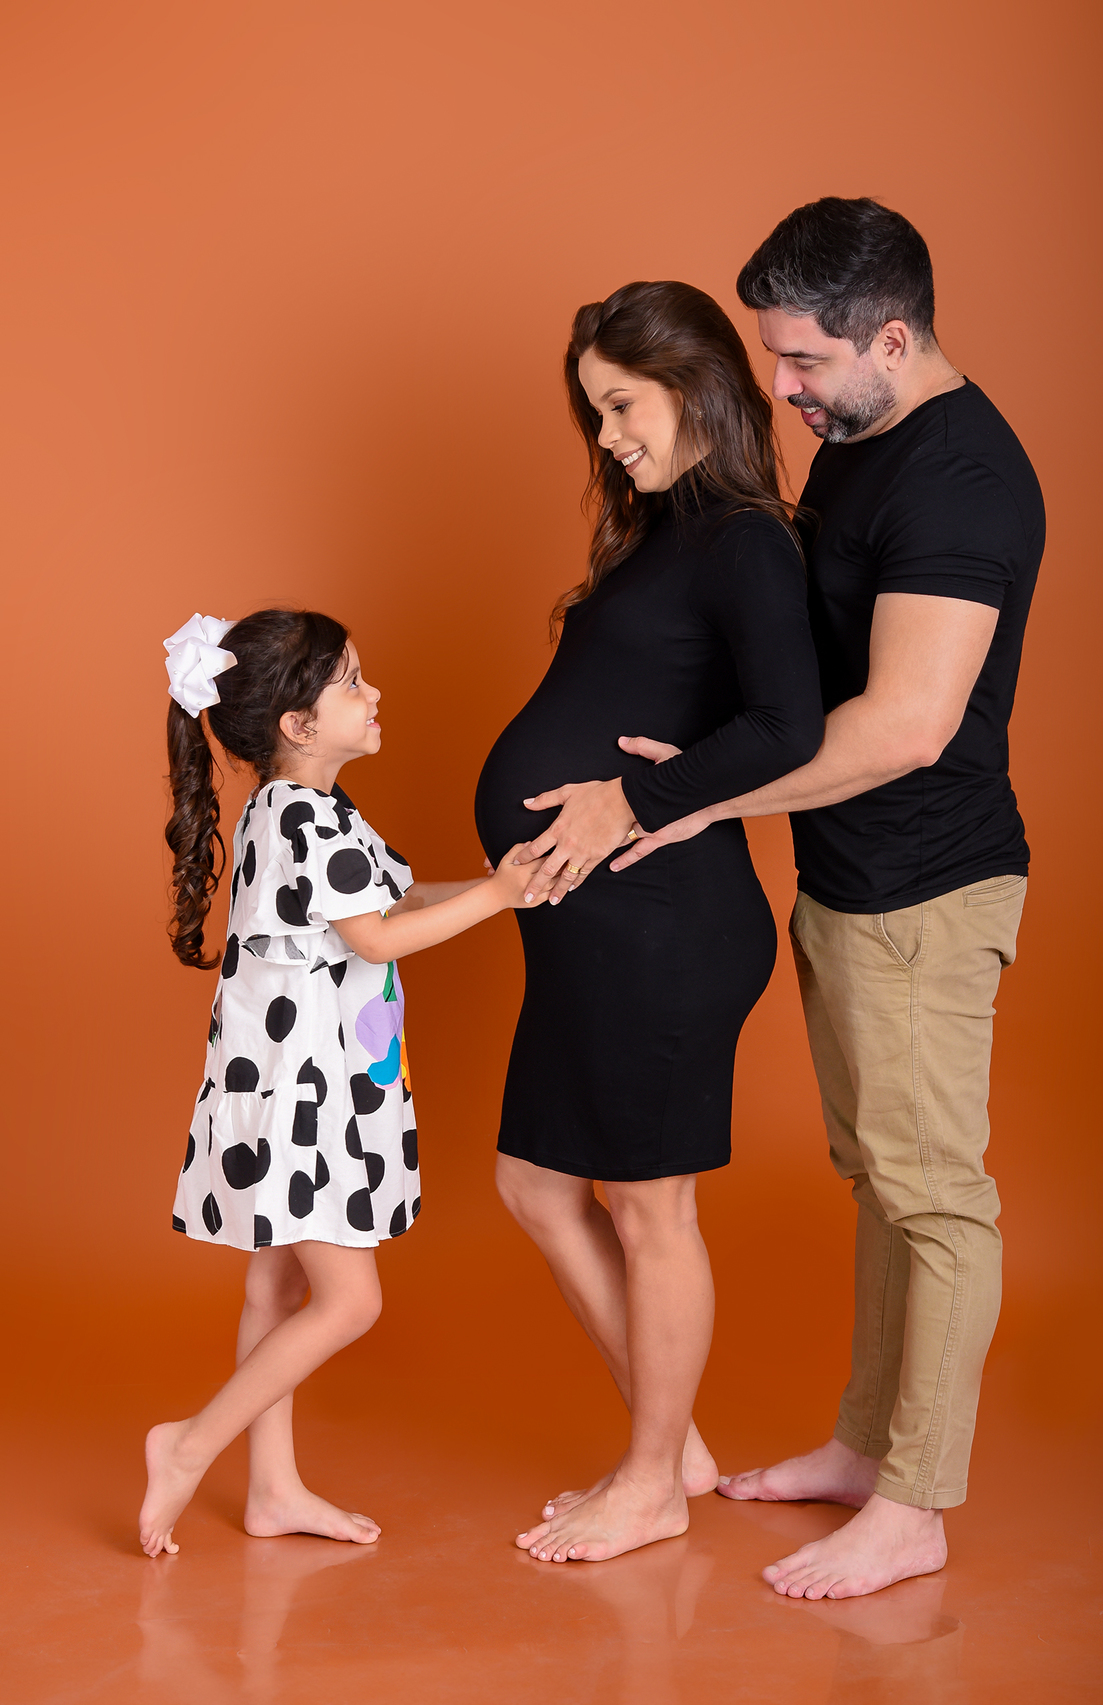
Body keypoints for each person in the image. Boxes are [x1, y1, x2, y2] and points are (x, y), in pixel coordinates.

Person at [522, 198, 1045, 1599]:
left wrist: (678, 797)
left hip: (928, 888)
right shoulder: (862, 442)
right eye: (772, 356)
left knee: (935, 1196)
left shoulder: (964, 480)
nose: (782, 386)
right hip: (846, 881)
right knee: (879, 1180)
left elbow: (907, 725)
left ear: (894, 338)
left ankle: (918, 1503)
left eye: (805, 360)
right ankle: (869, 1446)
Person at [474, 282, 825, 1564]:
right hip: (588, 925)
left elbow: (789, 724)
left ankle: (651, 1480)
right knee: (532, 1183)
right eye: (596, 415)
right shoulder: (659, 532)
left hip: (663, 924)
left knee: (648, 1205)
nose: (610, 436)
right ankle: (670, 1444)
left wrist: (633, 799)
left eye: (623, 405)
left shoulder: (744, 539)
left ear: (696, 386)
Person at [140, 608, 543, 1558]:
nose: (374, 694)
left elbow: (387, 901)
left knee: (276, 1285)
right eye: (352, 681)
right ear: (297, 724)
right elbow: (377, 939)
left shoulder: (304, 809)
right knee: (349, 1301)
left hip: (301, 1083)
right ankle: (187, 1444)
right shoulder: (302, 816)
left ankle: (272, 1486)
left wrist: (502, 885)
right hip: (302, 1098)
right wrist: (499, 896)